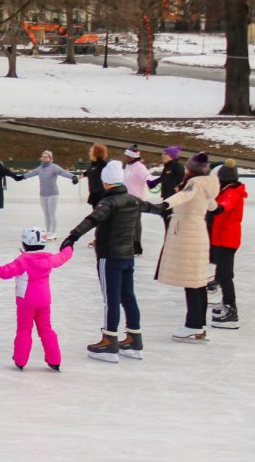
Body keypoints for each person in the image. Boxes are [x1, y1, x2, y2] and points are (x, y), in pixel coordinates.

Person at [60, 160, 163, 362]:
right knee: (128, 297)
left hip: (109, 257)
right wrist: (168, 208)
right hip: (127, 256)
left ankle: (110, 340)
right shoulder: (133, 200)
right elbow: (154, 208)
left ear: (107, 183)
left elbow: (92, 220)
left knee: (112, 300)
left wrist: (72, 237)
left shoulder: (108, 202)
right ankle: (134, 339)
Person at [0, 227, 73, 371]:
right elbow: (62, 257)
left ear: (24, 244)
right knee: (46, 329)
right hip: (44, 301)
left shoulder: (22, 261)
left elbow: (4, 272)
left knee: (24, 329)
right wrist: (69, 246)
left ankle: (20, 360)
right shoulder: (48, 258)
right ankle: (54, 359)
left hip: (26, 303)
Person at [154, 152, 219, 343]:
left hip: (189, 234)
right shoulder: (207, 184)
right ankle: (199, 325)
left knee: (192, 283)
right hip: (198, 233)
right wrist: (218, 209)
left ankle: (193, 326)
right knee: (198, 282)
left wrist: (164, 204)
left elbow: (184, 196)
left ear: (191, 169)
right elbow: (213, 205)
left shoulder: (195, 184)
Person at [208, 160, 245, 330]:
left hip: (227, 239)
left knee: (225, 275)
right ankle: (227, 304)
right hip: (222, 238)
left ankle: (231, 310)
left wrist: (215, 206)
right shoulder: (226, 190)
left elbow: (224, 206)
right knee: (222, 273)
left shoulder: (232, 192)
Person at [19, 150, 77, 240]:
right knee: (46, 214)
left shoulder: (54, 167)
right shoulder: (40, 168)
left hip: (53, 194)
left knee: (52, 213)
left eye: (46, 157)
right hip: (43, 194)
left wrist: (73, 176)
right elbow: (32, 173)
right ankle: (48, 231)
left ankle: (53, 232)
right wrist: (22, 177)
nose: (44, 158)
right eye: (43, 156)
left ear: (50, 158)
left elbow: (63, 172)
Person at [148, 145, 186, 228]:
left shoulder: (177, 166)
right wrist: (153, 183)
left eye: (165, 154)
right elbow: (164, 178)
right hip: (167, 198)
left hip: (173, 201)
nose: (162, 155)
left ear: (171, 156)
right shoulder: (167, 166)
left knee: (171, 226)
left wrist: (178, 189)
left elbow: (182, 180)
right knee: (167, 224)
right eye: (162, 153)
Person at [123, 145, 151, 255]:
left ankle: (137, 245)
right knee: (129, 222)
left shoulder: (140, 167)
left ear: (133, 156)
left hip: (137, 199)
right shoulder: (128, 166)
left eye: (128, 156)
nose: (126, 158)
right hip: (127, 198)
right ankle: (130, 244)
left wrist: (152, 183)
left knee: (135, 222)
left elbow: (148, 178)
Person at [84, 143, 108, 208]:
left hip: (101, 195)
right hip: (93, 194)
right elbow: (86, 173)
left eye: (91, 151)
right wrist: (76, 178)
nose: (89, 153)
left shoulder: (102, 164)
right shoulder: (93, 165)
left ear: (96, 153)